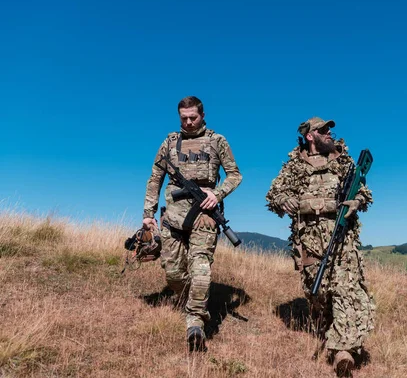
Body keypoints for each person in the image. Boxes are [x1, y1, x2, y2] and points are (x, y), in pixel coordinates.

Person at [266, 117, 375, 377]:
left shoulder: (343, 162)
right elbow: (273, 196)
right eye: (324, 130)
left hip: (341, 236)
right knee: (318, 292)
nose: (330, 133)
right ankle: (330, 329)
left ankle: (344, 352)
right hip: (309, 241)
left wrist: (356, 202)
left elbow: (364, 192)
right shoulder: (295, 166)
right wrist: (285, 200)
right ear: (310, 136)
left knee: (344, 288)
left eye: (331, 130)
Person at [142, 96, 242, 351]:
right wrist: (148, 213)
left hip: (204, 217)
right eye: (183, 118)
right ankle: (190, 302)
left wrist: (216, 194)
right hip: (173, 218)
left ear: (202, 114)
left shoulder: (217, 141)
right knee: (173, 274)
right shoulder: (170, 142)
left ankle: (195, 322)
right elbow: (155, 178)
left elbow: (235, 175)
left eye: (192, 118)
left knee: (200, 273)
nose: (188, 122)